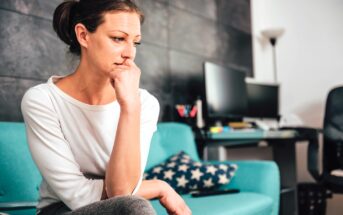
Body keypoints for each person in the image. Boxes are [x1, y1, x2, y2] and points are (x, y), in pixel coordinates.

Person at [21, 0, 192, 214]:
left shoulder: (144, 103)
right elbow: (79, 196)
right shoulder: (42, 100)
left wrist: (129, 106)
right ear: (83, 35)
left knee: (132, 204)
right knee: (135, 205)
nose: (129, 53)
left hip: (122, 206)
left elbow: (121, 190)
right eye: (118, 39)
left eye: (135, 42)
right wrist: (158, 186)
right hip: (61, 210)